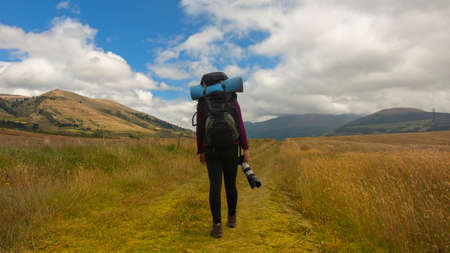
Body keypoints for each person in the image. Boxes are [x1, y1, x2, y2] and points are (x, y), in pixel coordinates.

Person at [195, 72, 249, 238]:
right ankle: (231, 218)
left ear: (204, 85)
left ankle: (217, 225)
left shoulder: (203, 100)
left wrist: (200, 150)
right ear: (224, 82)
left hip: (211, 148)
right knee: (231, 184)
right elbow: (239, 123)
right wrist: (245, 147)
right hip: (231, 147)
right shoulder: (231, 97)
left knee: (215, 187)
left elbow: (200, 128)